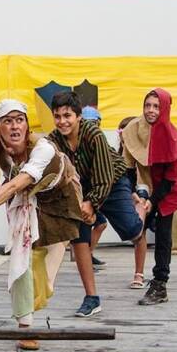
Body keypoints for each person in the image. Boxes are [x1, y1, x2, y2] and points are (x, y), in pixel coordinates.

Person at [0, 100, 83, 349]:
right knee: (23, 262)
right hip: (26, 206)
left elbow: (17, 183)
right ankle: (26, 329)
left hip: (60, 207)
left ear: (26, 125)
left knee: (44, 280)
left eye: (19, 120)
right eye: (8, 121)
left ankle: (32, 310)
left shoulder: (42, 148)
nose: (15, 127)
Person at [48, 92, 146, 317]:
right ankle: (91, 298)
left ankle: (141, 207)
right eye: (57, 116)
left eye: (67, 116)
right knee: (79, 236)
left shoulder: (94, 135)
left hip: (112, 180)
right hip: (82, 186)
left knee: (132, 230)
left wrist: (91, 204)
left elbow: (104, 178)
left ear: (78, 116)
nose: (62, 121)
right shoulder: (53, 140)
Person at [137, 88, 177, 305]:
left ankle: (160, 284)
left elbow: (169, 179)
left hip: (167, 192)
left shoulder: (171, 136)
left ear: (165, 109)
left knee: (163, 237)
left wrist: (152, 201)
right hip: (150, 189)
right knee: (137, 228)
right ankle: (139, 274)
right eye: (147, 105)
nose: (151, 110)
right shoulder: (142, 131)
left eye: (156, 106)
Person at [117, 115, 152, 289]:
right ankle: (139, 273)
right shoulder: (118, 157)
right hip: (133, 194)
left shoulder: (146, 150)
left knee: (150, 232)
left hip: (148, 191)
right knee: (140, 233)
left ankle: (151, 273)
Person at [81, 106, 108, 270]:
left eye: (94, 124)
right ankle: (86, 257)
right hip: (85, 194)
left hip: (94, 195)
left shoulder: (98, 141)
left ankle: (87, 255)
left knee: (98, 224)